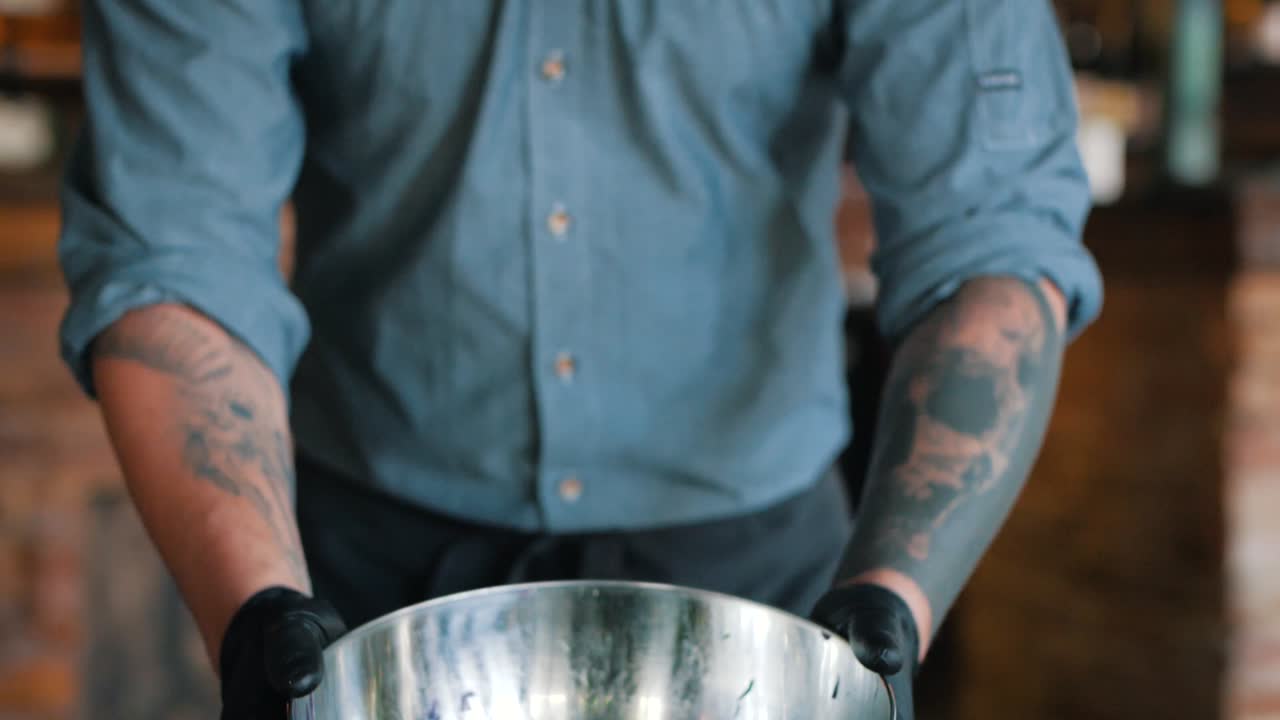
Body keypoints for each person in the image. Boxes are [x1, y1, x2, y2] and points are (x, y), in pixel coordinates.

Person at [58, 1, 1102, 718]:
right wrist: (258, 621)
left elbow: (993, 243)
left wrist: (889, 603)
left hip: (769, 595)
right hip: (359, 594)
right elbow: (173, 254)